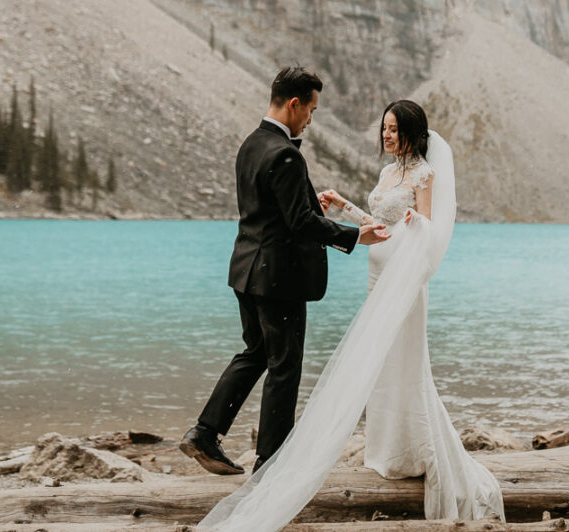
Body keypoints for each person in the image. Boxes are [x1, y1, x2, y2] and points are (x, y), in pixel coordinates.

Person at [197, 99, 503, 530]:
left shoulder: (424, 174)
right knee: (380, 364)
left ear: (413, 133)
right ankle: (386, 451)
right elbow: (378, 225)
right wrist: (344, 206)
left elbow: (428, 230)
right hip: (378, 274)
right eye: (384, 128)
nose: (387, 135)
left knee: (405, 362)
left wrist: (417, 223)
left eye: (394, 129)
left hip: (404, 279)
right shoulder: (387, 173)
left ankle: (415, 448)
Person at [179, 66, 389, 476]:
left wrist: (310, 205)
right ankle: (271, 461)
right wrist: (354, 236)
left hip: (246, 271)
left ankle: (205, 432)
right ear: (294, 104)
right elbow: (300, 224)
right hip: (278, 278)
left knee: (256, 353)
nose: (311, 119)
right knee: (284, 365)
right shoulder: (287, 154)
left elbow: (272, 209)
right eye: (311, 110)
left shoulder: (251, 143)